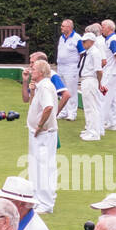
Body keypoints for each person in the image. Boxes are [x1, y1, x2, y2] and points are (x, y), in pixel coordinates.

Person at [25, 59, 59, 213]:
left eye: (33, 69)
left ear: (40, 72)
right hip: (39, 133)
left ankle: (46, 204)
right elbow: (34, 104)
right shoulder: (40, 87)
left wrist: (39, 125)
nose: (31, 71)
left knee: (44, 167)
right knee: (37, 166)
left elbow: (48, 107)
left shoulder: (45, 86)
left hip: (44, 133)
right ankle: (38, 199)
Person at [78, 27, 108, 141]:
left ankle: (94, 133)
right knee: (88, 107)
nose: (83, 43)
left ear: (91, 42)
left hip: (91, 80)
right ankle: (90, 129)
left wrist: (99, 83)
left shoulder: (94, 52)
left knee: (92, 107)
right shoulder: (88, 52)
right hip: (86, 80)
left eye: (84, 41)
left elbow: (98, 70)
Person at [22, 50, 73, 115]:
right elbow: (25, 99)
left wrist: (55, 113)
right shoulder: (35, 76)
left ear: (41, 63)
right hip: (35, 116)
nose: (30, 65)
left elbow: (66, 95)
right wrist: (25, 81)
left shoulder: (52, 75)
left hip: (46, 116)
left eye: (32, 62)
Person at [55, 20, 81, 120]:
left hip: (71, 67)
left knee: (71, 90)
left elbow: (82, 52)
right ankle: (63, 111)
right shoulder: (61, 38)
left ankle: (72, 113)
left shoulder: (77, 38)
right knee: (62, 89)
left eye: (63, 26)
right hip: (61, 67)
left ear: (69, 27)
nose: (61, 27)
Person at [100, 19, 116, 132]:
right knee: (113, 98)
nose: (101, 29)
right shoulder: (109, 39)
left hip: (110, 73)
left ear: (109, 28)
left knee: (104, 97)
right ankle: (113, 123)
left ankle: (100, 123)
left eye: (103, 27)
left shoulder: (113, 40)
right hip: (111, 72)